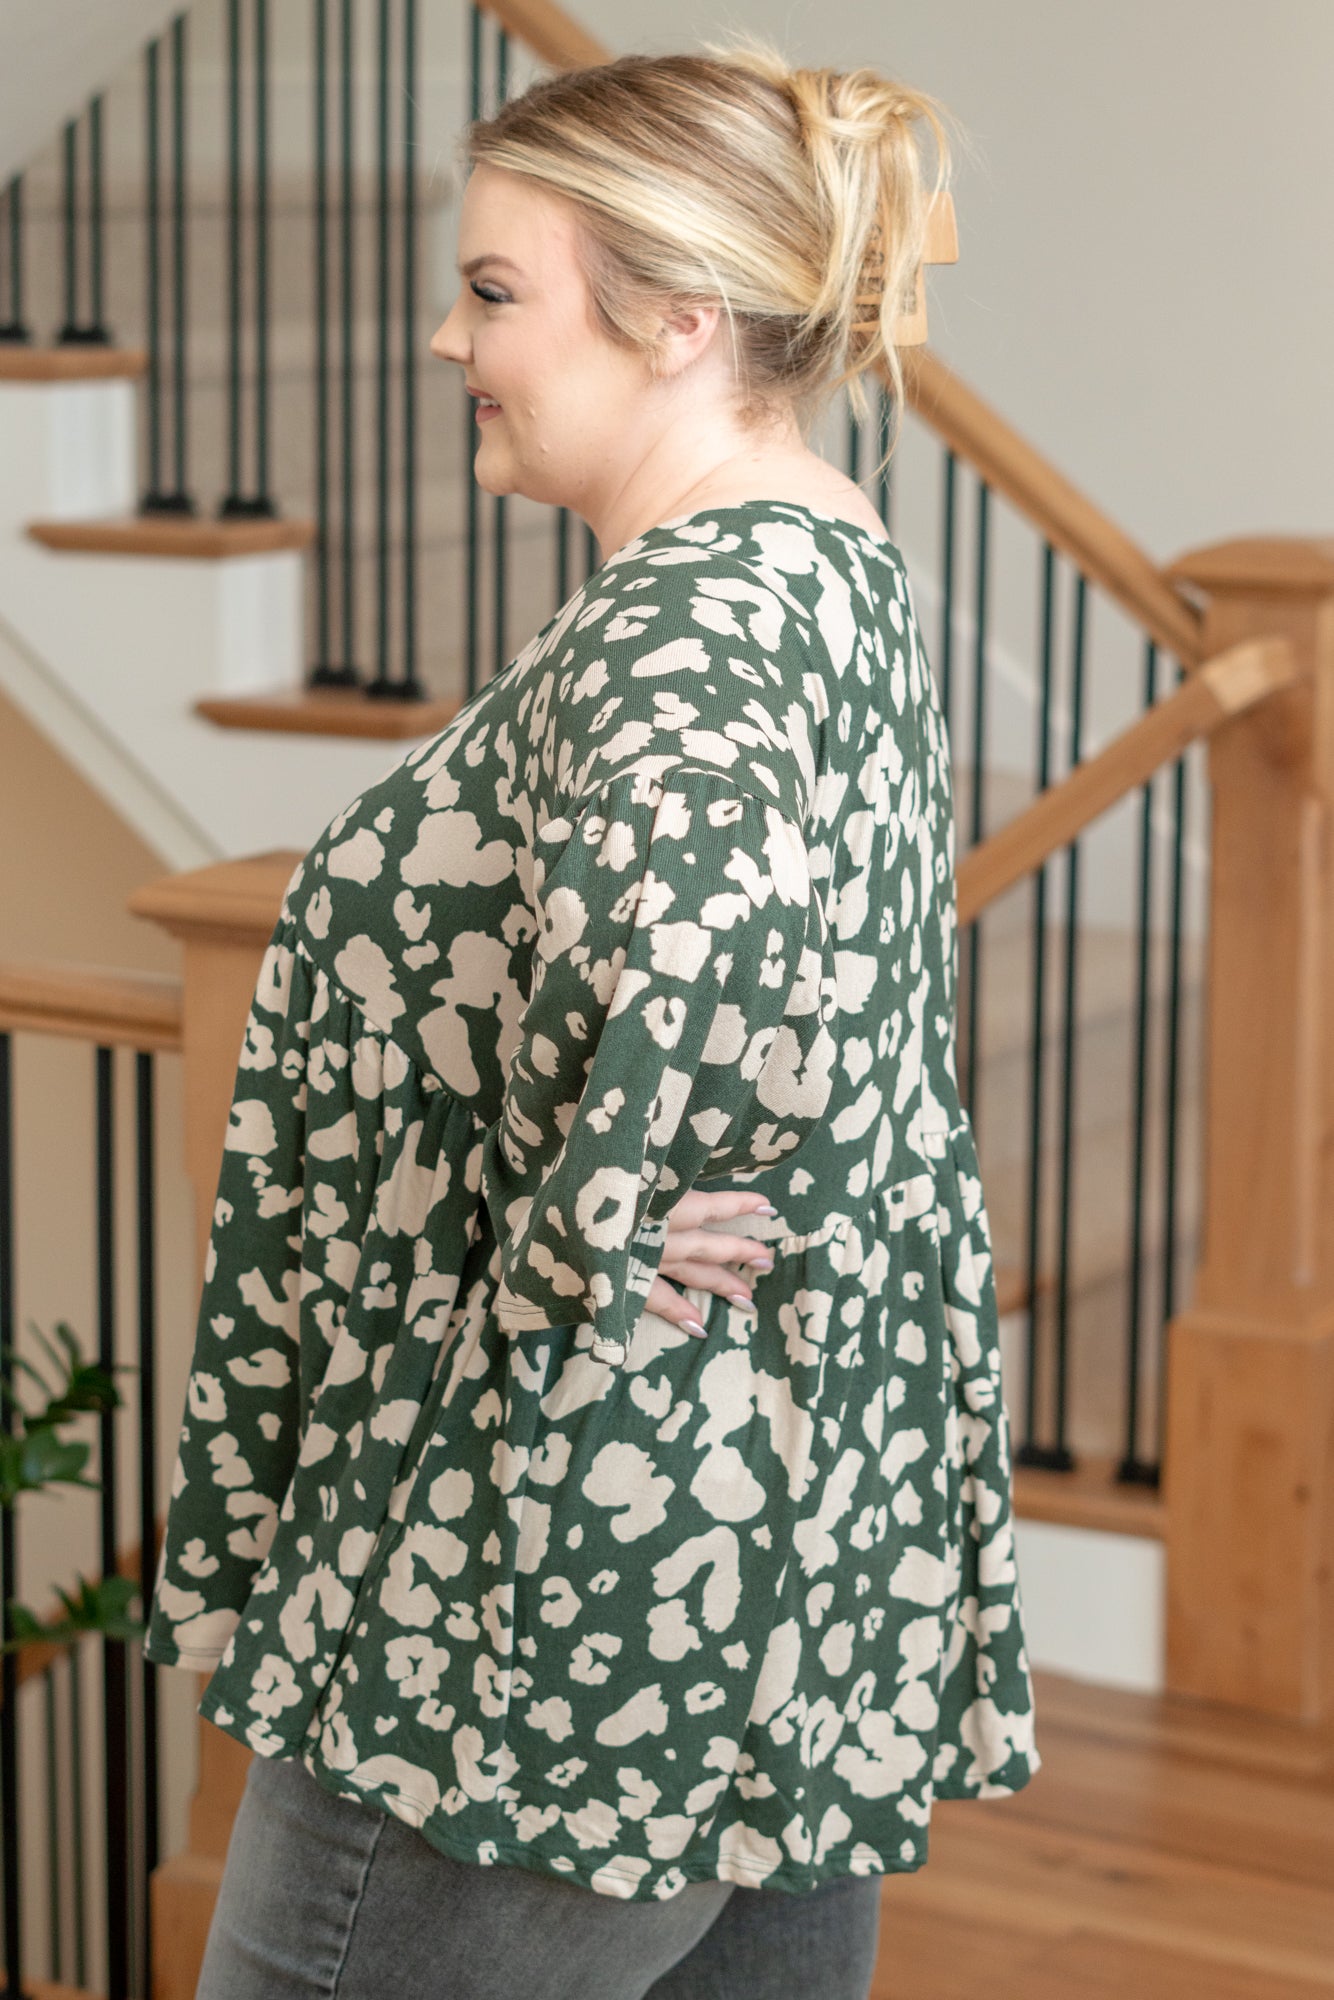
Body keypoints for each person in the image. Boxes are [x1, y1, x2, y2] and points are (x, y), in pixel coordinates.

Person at [145, 43, 1040, 2000]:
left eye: (492, 291)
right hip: (767, 1528)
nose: (446, 339)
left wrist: (601, 1213)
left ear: (679, 318)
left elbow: (693, 925)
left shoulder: (689, 623)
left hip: (551, 1563)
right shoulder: (821, 559)